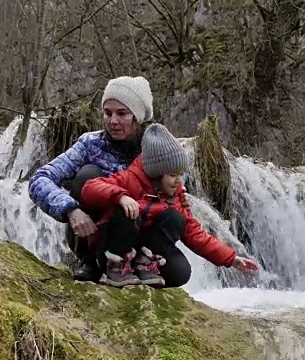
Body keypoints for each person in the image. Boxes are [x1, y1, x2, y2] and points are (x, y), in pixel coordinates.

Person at [28, 76, 190, 282]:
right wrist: (70, 210)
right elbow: (39, 179)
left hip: (141, 236)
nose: (113, 121)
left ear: (138, 117)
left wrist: (179, 202)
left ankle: (137, 265)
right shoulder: (90, 144)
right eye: (107, 113)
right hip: (94, 232)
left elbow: (174, 195)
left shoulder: (158, 149)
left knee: (179, 272)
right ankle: (92, 262)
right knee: (88, 175)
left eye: (122, 114)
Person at [81, 123, 259, 288]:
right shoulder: (128, 179)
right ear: (156, 173)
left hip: (139, 249)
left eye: (180, 174)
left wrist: (231, 259)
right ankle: (115, 267)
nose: (179, 181)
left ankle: (145, 265)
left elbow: (196, 235)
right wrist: (121, 197)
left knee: (175, 220)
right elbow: (89, 188)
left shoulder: (176, 195)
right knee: (129, 211)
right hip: (110, 248)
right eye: (173, 175)